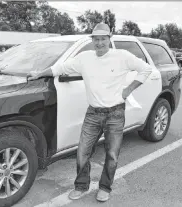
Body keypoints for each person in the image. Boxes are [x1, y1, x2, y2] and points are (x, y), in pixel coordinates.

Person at [28, 23, 153, 202]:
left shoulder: (122, 56)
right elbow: (60, 68)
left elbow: (146, 69)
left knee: (112, 155)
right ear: (92, 40)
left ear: (110, 39)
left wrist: (128, 90)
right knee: (82, 152)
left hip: (115, 114)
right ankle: (81, 186)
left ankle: (105, 187)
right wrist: (39, 74)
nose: (100, 43)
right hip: (93, 114)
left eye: (103, 39)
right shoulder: (84, 58)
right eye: (96, 39)